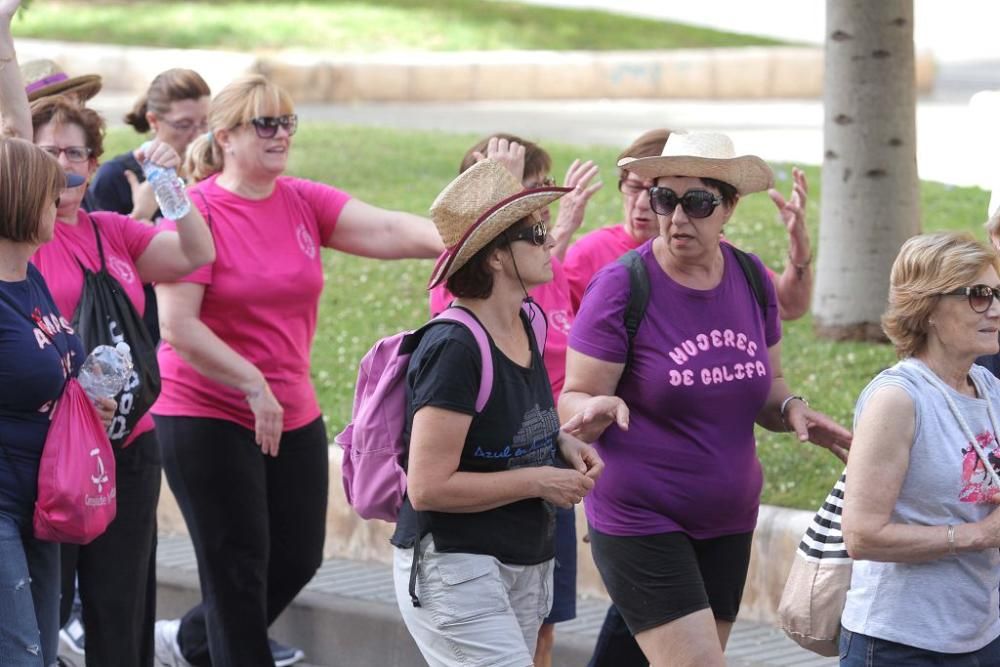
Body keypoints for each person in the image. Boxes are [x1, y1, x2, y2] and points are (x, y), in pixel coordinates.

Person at [150, 73, 444, 667]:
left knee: (297, 555)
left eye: (288, 122)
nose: (281, 134)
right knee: (239, 570)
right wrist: (250, 382)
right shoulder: (197, 212)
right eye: (266, 123)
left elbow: (389, 228)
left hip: (289, 407)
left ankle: (186, 643)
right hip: (207, 410)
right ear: (226, 136)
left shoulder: (300, 201)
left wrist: (469, 240)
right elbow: (178, 327)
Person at [559, 131, 851, 667]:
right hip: (640, 516)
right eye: (663, 199)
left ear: (729, 208)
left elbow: (768, 384)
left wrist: (792, 408)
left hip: (728, 521)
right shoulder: (622, 286)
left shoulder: (750, 277)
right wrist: (589, 411)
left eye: (697, 202)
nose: (675, 217)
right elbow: (575, 392)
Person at [0, 14, 217, 665]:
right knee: (34, 633)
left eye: (78, 154)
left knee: (119, 614)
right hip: (38, 468)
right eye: (50, 154)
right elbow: (11, 132)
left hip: (122, 447)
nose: (65, 167)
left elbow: (196, 252)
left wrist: (171, 184)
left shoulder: (109, 230)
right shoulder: (24, 252)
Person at [392, 158, 603, 667]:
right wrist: (538, 482)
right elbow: (427, 487)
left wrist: (561, 442)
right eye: (535, 232)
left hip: (524, 558)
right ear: (495, 258)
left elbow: (512, 421)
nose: (549, 240)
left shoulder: (525, 321)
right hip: (456, 565)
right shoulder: (454, 347)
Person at [840, 231, 1000, 665]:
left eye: (998, 293)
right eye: (979, 295)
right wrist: (978, 536)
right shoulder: (898, 398)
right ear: (928, 307)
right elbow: (860, 535)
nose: (997, 310)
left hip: (981, 634)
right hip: (900, 643)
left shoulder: (988, 389)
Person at [0, 137, 115, 667]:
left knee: (43, 655)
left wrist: (86, 405)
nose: (61, 203)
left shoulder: (31, 278)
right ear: (20, 199)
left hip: (40, 504)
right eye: (52, 193)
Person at [563, 128, 814, 321]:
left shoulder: (717, 255)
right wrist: (560, 233)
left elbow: (789, 305)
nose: (640, 203)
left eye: (656, 192)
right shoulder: (589, 254)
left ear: (727, 208)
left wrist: (799, 244)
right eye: (632, 187)